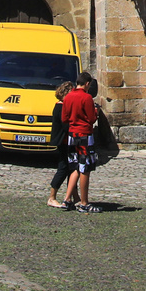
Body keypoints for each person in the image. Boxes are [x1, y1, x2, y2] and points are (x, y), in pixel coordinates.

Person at [60, 72, 102, 214]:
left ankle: (67, 199)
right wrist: (95, 112)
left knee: (75, 167)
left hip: (72, 135)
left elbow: (64, 118)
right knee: (85, 169)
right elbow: (91, 118)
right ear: (87, 84)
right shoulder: (87, 97)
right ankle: (84, 203)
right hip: (84, 135)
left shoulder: (68, 97)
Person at [45, 81, 78, 209]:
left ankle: (75, 197)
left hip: (68, 142)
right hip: (64, 142)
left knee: (72, 169)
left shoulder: (62, 106)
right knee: (63, 168)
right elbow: (66, 126)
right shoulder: (61, 107)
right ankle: (52, 197)